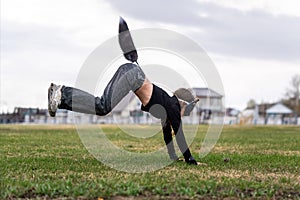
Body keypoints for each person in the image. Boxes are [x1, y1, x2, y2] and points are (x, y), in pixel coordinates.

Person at [48, 62, 199, 165]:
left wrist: (173, 157)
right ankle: (62, 93)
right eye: (186, 113)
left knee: (102, 106)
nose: (183, 116)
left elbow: (168, 134)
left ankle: (60, 99)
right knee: (103, 106)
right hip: (132, 75)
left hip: (130, 72)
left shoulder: (167, 107)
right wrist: (190, 159)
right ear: (183, 104)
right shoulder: (173, 106)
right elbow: (179, 133)